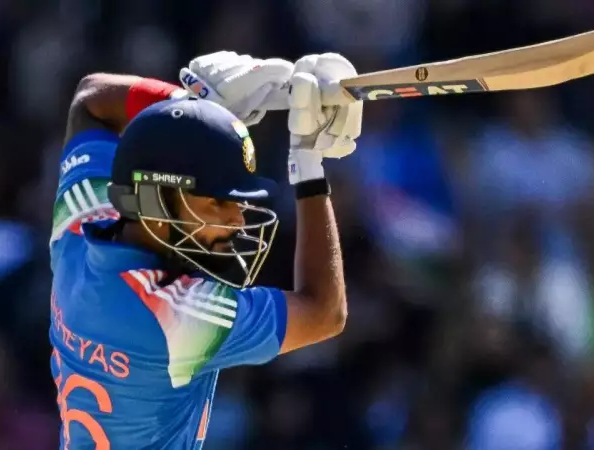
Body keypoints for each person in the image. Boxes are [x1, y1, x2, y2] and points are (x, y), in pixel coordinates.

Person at [49, 50, 363, 448]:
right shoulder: (172, 316)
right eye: (217, 202)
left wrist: (191, 108)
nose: (238, 220)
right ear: (156, 204)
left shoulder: (76, 230)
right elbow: (324, 312)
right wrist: (308, 161)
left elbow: (89, 99)